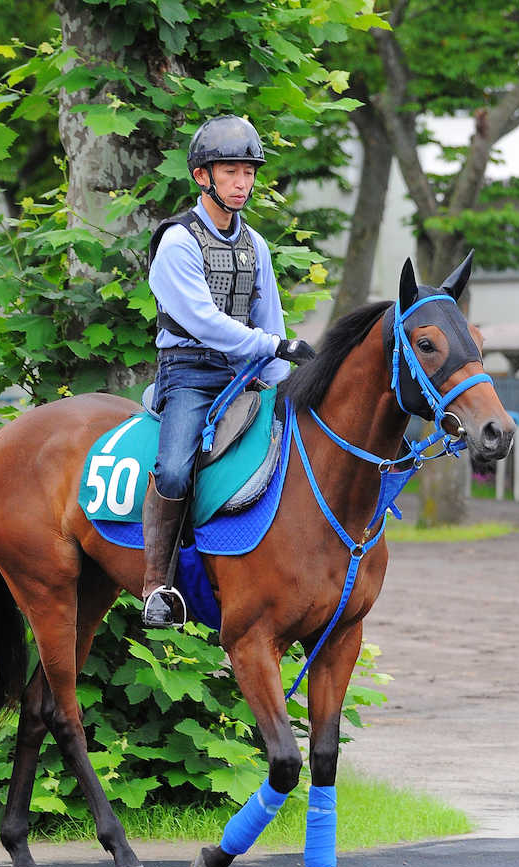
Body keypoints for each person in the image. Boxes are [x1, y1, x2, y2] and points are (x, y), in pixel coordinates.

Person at [142, 114, 315, 627]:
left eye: (249, 172)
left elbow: (271, 319)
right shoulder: (177, 242)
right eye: (231, 171)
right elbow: (206, 323)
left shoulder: (255, 245)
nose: (243, 182)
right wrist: (274, 345)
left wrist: (288, 387)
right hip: (189, 371)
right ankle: (157, 586)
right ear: (203, 176)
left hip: (247, 371)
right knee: (174, 467)